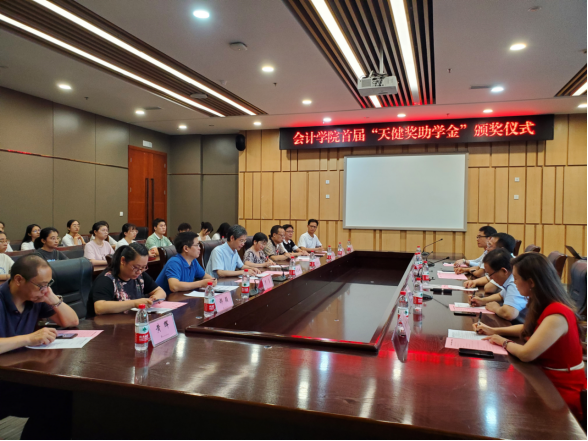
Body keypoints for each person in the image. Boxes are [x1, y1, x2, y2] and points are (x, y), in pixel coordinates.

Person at [474, 252, 586, 422]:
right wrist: (493, 330)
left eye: (516, 278)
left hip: (559, 393)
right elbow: (529, 329)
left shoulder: (557, 314)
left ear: (531, 282)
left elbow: (527, 354)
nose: (514, 282)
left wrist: (503, 342)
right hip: (542, 377)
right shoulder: (541, 301)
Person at [0, 255, 79, 439]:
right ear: (18, 280)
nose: (44, 290)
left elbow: (71, 321)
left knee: (67, 397)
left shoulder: (35, 299)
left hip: (19, 374)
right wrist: (29, 338)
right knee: (55, 401)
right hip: (4, 381)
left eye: (48, 284)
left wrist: (50, 296)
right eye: (41, 285)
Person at [88, 243, 166, 316]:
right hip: (107, 324)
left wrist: (153, 299)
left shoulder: (140, 275)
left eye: (143, 267)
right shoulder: (106, 279)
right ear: (123, 260)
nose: (139, 271)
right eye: (136, 267)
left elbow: (160, 291)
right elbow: (99, 308)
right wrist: (134, 303)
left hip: (132, 321)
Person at [468, 248, 528, 321]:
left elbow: (509, 313)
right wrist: (482, 301)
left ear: (504, 271)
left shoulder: (514, 282)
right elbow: (501, 295)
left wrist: (496, 308)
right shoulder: (509, 279)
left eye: (491, 274)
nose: (490, 278)